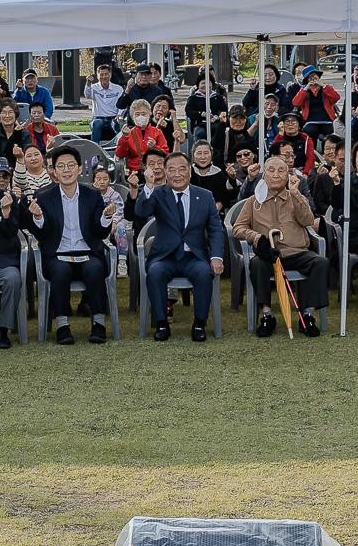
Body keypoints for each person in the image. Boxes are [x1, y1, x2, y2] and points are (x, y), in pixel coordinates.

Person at [20, 146, 114, 344]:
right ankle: (62, 325)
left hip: (87, 252)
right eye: (60, 166)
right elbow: (42, 234)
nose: (66, 170)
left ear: (80, 168)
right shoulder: (44, 196)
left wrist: (106, 217)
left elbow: (100, 232)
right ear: (53, 170)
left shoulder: (92, 195)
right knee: (60, 272)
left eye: (71, 165)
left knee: (95, 269)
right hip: (58, 254)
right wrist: (37, 217)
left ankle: (98, 323)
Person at [135, 150, 223, 342]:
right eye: (172, 170)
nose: (177, 174)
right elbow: (141, 211)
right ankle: (161, 323)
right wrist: (148, 186)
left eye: (182, 169)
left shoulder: (205, 196)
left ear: (190, 172)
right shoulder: (158, 193)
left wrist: (217, 256)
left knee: (203, 273)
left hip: (194, 256)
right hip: (164, 256)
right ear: (165, 173)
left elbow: (216, 229)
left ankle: (199, 322)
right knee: (155, 273)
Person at [233, 154, 325, 337]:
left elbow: (308, 220)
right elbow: (238, 228)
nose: (276, 174)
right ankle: (267, 314)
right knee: (257, 264)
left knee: (320, 262)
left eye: (281, 170)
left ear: (288, 175)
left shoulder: (295, 197)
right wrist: (256, 237)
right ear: (264, 175)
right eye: (271, 170)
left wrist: (296, 193)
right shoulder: (254, 201)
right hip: (269, 255)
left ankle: (308, 315)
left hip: (296, 252)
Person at [85, 64, 125, 142]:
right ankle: (95, 148)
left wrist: (119, 114)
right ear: (97, 76)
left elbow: (122, 104)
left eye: (106, 74)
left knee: (119, 126)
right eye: (101, 74)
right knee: (97, 123)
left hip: (113, 119)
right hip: (98, 118)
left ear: (110, 75)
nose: (104, 77)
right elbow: (88, 95)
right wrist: (88, 84)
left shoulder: (118, 89)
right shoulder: (93, 88)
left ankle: (120, 149)